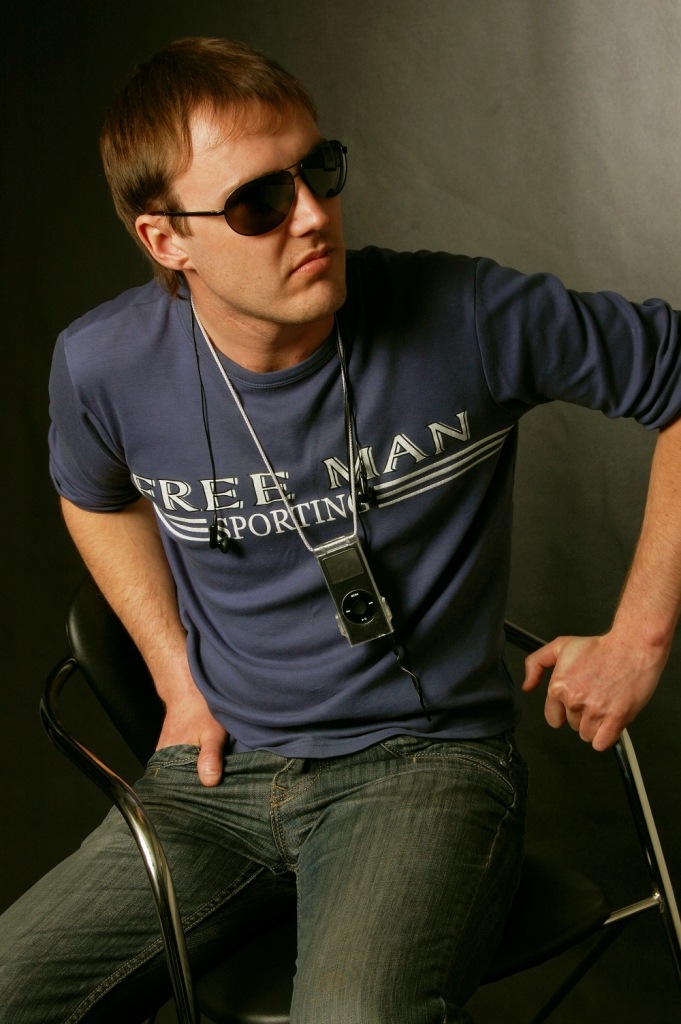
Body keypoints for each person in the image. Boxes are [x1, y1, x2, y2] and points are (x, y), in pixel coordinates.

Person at [2, 34, 681, 1024]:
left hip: (423, 766)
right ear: (166, 239)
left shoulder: (467, 314)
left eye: (316, 170)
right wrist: (175, 677)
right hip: (214, 783)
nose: (314, 215)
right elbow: (92, 494)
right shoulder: (102, 364)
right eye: (258, 202)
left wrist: (638, 638)